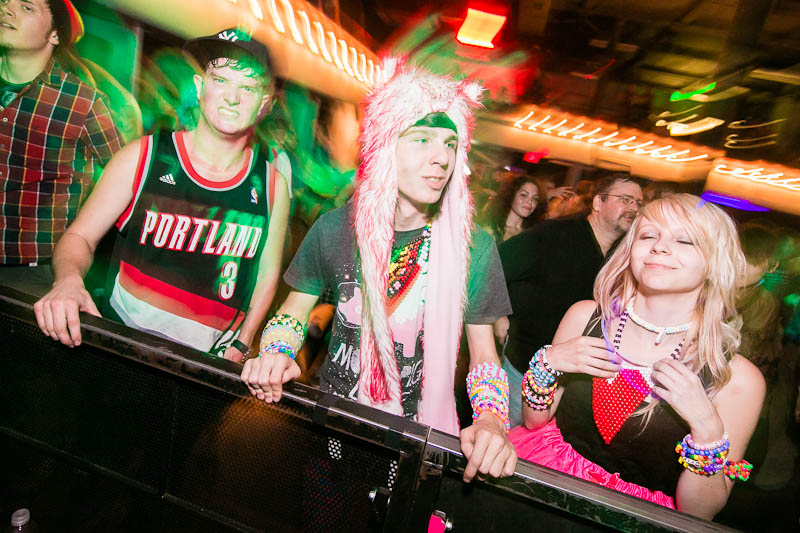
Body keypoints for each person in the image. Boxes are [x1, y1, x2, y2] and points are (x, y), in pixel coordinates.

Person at [240, 58, 517, 482]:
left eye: (450, 143)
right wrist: (276, 353)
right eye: (422, 139)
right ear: (385, 145)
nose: (441, 158)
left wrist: (492, 419)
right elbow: (292, 313)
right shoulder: (336, 228)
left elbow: (484, 355)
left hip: (420, 448)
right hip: (333, 431)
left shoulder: (473, 246)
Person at [33, 28, 291, 363]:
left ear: (264, 104)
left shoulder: (271, 185)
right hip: (121, 346)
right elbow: (80, 236)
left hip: (206, 364)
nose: (232, 97)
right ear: (200, 87)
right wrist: (68, 281)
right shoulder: (143, 157)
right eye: (220, 80)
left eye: (248, 87)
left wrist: (243, 343)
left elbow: (267, 274)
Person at [509, 193, 765, 519]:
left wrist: (706, 429)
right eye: (648, 235)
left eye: (684, 240)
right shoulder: (584, 317)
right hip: (542, 490)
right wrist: (547, 364)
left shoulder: (737, 379)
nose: (659, 247)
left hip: (633, 521)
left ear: (715, 262)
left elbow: (698, 512)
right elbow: (535, 422)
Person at [498, 173, 642, 425]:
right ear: (598, 202)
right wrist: (497, 316)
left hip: (576, 388)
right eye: (625, 199)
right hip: (524, 368)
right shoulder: (554, 234)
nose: (633, 208)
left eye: (638, 203)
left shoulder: (623, 257)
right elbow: (493, 267)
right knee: (506, 439)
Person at [0, 0, 121, 295]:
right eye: (4, 1)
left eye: (27, 7)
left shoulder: (84, 103)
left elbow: (125, 180)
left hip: (31, 274)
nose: (7, 9)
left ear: (55, 34)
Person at [481, 173, 541, 243]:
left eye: (535, 198)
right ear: (511, 195)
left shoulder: (533, 234)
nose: (530, 202)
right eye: (523, 195)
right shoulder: (491, 231)